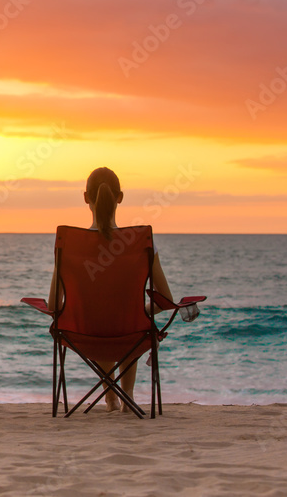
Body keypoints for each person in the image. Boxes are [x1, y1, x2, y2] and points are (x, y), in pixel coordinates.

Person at [47, 166, 176, 413]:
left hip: (84, 335)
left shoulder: (69, 245)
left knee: (104, 317)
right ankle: (126, 394)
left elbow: (53, 306)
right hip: (131, 334)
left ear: (86, 197)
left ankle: (110, 396)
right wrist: (142, 310)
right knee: (132, 318)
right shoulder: (142, 243)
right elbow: (166, 300)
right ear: (120, 197)